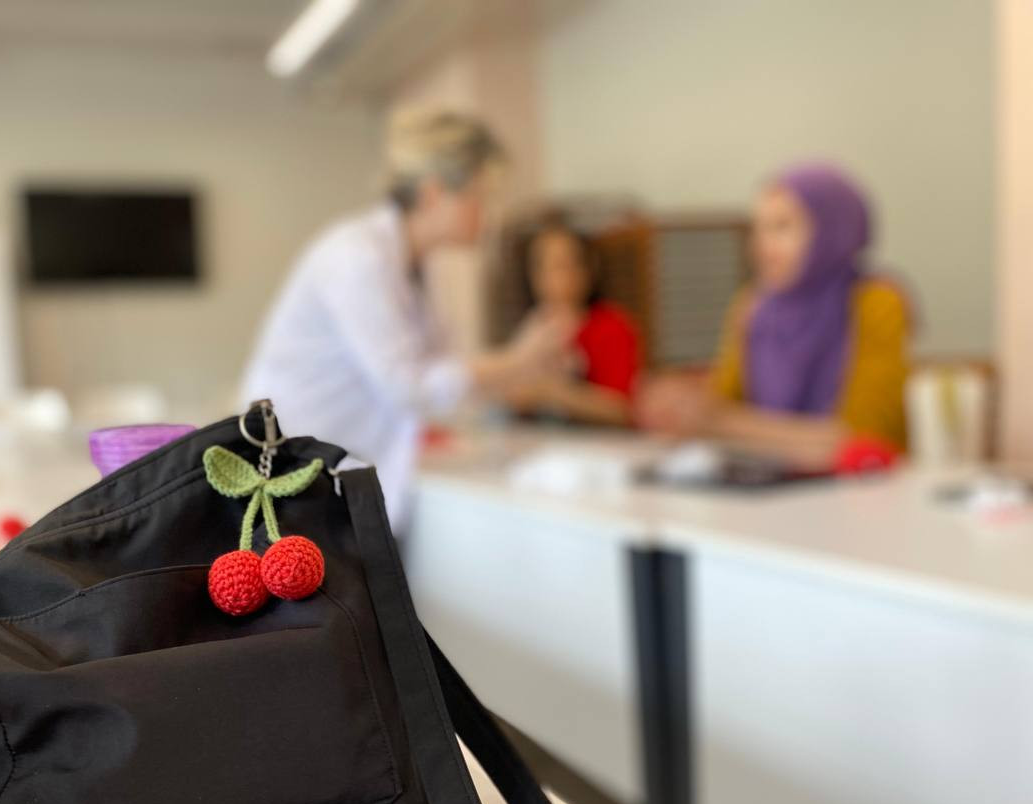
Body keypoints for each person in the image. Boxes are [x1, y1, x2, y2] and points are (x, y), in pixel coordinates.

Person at [241, 110, 574, 531]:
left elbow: (444, 373)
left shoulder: (415, 267)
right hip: (296, 476)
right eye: (479, 196)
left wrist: (525, 368)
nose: (488, 214)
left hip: (339, 471)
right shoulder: (358, 258)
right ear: (434, 192)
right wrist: (517, 361)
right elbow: (409, 386)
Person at [638, 164, 910, 468]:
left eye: (782, 227)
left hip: (867, 486)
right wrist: (682, 406)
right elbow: (724, 402)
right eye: (758, 229)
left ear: (833, 230)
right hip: (772, 478)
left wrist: (719, 421)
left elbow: (862, 437)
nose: (761, 247)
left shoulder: (874, 302)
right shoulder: (754, 306)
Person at [506, 219, 641, 425]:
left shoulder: (610, 327)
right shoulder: (533, 325)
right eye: (543, 266)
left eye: (563, 264)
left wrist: (550, 391)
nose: (553, 276)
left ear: (587, 269)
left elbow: (622, 410)